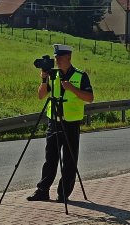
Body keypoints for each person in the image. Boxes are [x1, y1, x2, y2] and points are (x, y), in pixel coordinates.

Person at [27, 44, 94, 203]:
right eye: (55, 57)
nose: (56, 60)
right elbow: (41, 95)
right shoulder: (53, 75)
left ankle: (63, 193)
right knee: (50, 158)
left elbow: (89, 98)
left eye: (59, 57)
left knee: (69, 160)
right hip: (54, 122)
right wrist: (44, 79)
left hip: (71, 123)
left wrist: (71, 88)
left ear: (68, 57)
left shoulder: (80, 75)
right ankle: (42, 191)